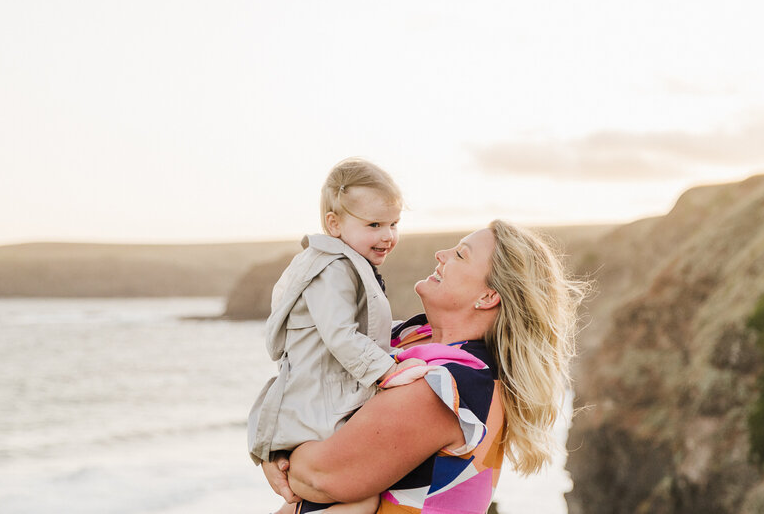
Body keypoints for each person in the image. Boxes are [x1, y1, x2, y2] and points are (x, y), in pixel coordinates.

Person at [260, 220, 586, 514]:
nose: (440, 253)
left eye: (460, 255)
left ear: (488, 296)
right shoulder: (408, 338)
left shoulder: (451, 384)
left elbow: (321, 479)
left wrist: (279, 451)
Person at [248, 158, 422, 514]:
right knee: (360, 496)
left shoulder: (342, 263)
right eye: (374, 224)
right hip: (318, 409)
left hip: (321, 402)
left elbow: (361, 329)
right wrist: (387, 370)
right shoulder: (334, 268)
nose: (388, 235)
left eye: (394, 223)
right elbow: (341, 335)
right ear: (334, 223)